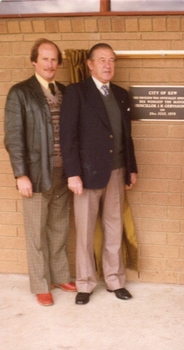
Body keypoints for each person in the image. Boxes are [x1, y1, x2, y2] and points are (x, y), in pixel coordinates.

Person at [60, 43, 138, 305]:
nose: (108, 65)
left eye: (112, 60)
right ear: (90, 64)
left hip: (116, 172)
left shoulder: (121, 94)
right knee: (84, 232)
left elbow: (127, 136)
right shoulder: (77, 92)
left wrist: (131, 168)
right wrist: (73, 174)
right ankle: (85, 283)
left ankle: (115, 280)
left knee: (114, 228)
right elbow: (67, 136)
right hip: (86, 175)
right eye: (102, 60)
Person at [4, 38, 77, 306]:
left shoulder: (66, 92)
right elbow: (13, 137)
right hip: (35, 175)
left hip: (63, 172)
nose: (50, 64)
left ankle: (59, 276)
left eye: (54, 59)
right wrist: (20, 174)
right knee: (36, 232)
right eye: (45, 58)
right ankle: (40, 284)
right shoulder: (20, 92)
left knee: (59, 228)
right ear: (34, 61)